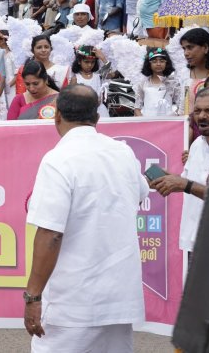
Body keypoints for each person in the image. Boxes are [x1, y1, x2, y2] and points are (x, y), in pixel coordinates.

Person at [24, 85, 148, 352]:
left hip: (74, 299)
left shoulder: (58, 159)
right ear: (97, 118)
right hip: (119, 295)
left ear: (56, 116)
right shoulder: (123, 152)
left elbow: (50, 233)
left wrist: (33, 296)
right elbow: (140, 194)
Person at [150, 87, 209, 262]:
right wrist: (170, 179)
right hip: (194, 241)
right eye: (197, 111)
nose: (201, 116)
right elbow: (189, 182)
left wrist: (185, 185)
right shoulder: (197, 144)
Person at [133, 48, 182, 117]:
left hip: (168, 124)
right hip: (148, 123)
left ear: (166, 63)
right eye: (154, 61)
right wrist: (143, 121)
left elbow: (181, 105)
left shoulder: (172, 83)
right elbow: (137, 108)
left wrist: (174, 118)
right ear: (149, 64)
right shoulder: (143, 83)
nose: (158, 64)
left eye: (162, 61)